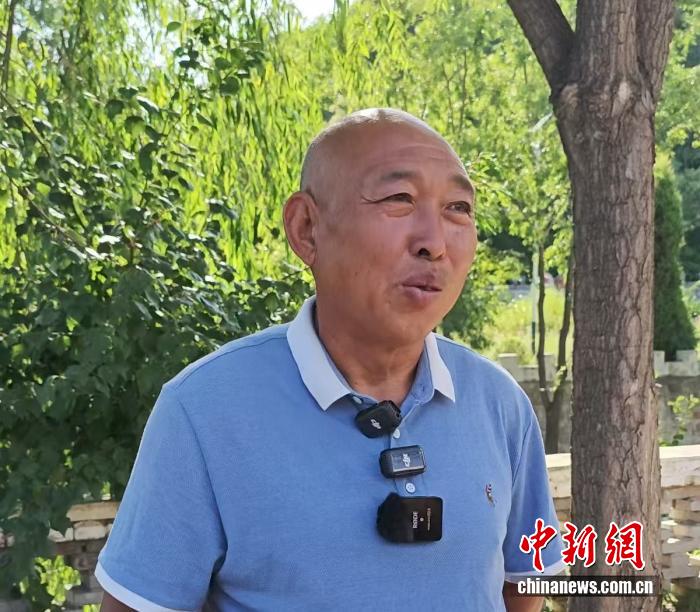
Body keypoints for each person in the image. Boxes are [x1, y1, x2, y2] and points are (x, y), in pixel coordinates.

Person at [98, 108, 564, 611]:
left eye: (457, 208)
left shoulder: (499, 405)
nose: (434, 243)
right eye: (399, 199)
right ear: (307, 229)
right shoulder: (205, 412)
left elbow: (523, 585)